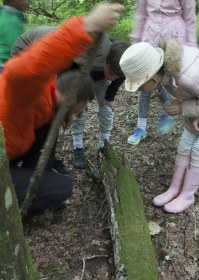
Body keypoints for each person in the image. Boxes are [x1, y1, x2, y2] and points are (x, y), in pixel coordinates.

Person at [0, 3, 125, 221]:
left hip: (12, 145)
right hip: (6, 149)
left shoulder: (50, 91)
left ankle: (28, 180)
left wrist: (63, 113)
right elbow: (22, 70)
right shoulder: (27, 89)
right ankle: (14, 215)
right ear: (68, 99)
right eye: (76, 110)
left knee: (50, 131)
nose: (76, 115)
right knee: (61, 188)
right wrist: (87, 26)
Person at [120, 40, 199, 213]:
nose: (140, 91)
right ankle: (175, 188)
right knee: (185, 146)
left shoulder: (189, 77)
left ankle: (187, 195)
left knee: (198, 149)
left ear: (153, 78)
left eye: (139, 86)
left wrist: (183, 108)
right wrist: (194, 112)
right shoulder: (168, 74)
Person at [11, 28, 130, 171]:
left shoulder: (119, 56)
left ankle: (103, 148)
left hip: (76, 74)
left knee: (104, 110)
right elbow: (64, 76)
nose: (112, 77)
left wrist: (109, 96)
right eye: (110, 72)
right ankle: (71, 148)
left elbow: (119, 75)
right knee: (48, 112)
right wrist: (76, 100)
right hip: (37, 64)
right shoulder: (83, 53)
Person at [127, 0, 198, 145]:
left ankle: (169, 111)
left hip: (173, 41)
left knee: (166, 82)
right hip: (150, 38)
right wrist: (135, 45)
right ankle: (141, 127)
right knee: (144, 81)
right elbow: (141, 15)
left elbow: (190, 18)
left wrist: (192, 49)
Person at [0, 0, 27, 72]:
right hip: (5, 66)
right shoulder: (10, 18)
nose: (25, 3)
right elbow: (14, 46)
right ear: (12, 1)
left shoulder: (13, 15)